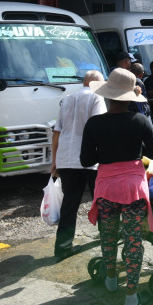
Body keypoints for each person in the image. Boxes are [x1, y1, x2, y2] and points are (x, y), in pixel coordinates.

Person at [81, 68, 153, 305]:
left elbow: (86, 160)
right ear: (130, 98)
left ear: (106, 96)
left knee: (108, 235)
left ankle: (110, 279)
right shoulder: (140, 120)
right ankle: (131, 296)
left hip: (106, 187)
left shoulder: (94, 123)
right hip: (133, 190)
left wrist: (105, 153)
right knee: (133, 240)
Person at [50, 70, 106, 259]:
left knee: (70, 203)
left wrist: (54, 160)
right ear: (96, 84)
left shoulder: (67, 99)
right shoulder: (97, 98)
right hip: (89, 159)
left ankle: (63, 247)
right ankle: (107, 239)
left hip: (66, 158)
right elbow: (98, 126)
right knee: (100, 201)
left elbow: (56, 132)